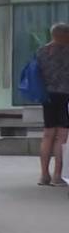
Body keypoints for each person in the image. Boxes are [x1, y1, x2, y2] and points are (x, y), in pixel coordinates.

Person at [37, 23, 69, 186]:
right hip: (65, 96)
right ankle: (58, 175)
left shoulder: (42, 51)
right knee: (61, 137)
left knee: (47, 134)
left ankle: (44, 175)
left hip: (47, 96)